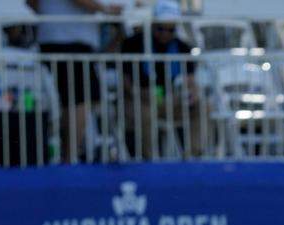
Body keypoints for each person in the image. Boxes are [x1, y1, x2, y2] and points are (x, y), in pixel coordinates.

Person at [29, 0, 123, 163]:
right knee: (82, 98)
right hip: (70, 41)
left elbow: (32, 3)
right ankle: (70, 156)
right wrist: (106, 10)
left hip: (53, 38)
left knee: (71, 100)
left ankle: (69, 154)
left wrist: (51, 14)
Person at [119, 0, 208, 159]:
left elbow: (190, 80)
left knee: (204, 106)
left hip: (170, 100)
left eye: (170, 30)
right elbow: (125, 80)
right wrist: (138, 93)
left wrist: (193, 94)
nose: (165, 34)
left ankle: (193, 157)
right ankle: (150, 161)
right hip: (139, 101)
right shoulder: (133, 43)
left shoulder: (182, 47)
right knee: (144, 114)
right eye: (161, 28)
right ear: (153, 24)